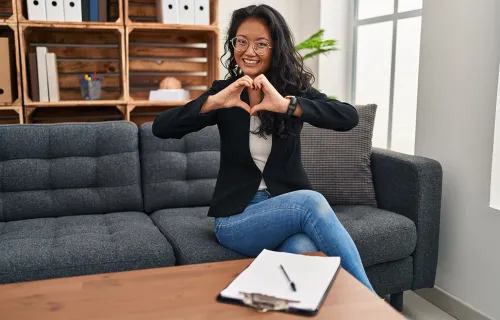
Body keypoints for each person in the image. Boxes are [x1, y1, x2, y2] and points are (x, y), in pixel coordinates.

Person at [152, 4, 374, 291]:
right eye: (241, 41)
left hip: (284, 210)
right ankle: (371, 304)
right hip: (237, 219)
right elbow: (161, 127)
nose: (249, 51)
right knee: (311, 202)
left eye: (261, 44)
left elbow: (348, 117)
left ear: (275, 48)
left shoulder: (294, 92)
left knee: (302, 250)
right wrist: (213, 102)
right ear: (233, 45)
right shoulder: (225, 91)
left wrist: (288, 105)